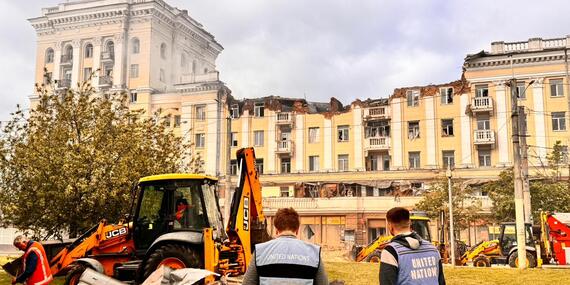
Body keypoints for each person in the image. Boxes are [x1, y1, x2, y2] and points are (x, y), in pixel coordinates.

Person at [243, 207, 328, 285]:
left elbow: (248, 283)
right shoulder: (314, 253)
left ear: (276, 230)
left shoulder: (260, 251)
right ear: (297, 230)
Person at [380, 207, 445, 285]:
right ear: (410, 222)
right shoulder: (433, 249)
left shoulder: (390, 251)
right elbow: (441, 281)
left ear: (390, 225)